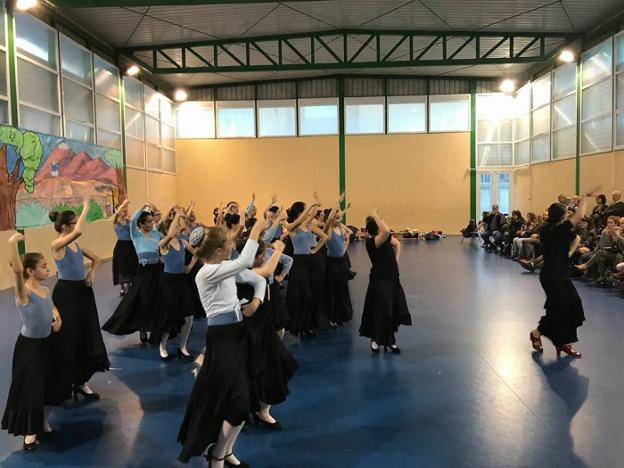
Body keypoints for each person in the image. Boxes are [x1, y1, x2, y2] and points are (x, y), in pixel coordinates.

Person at [178, 219, 266, 467]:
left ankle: (225, 452)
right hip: (222, 341)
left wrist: (256, 302)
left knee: (243, 403)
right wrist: (256, 231)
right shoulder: (207, 273)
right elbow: (245, 261)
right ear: (218, 250)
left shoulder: (224, 266)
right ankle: (216, 456)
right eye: (228, 242)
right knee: (237, 405)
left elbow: (258, 280)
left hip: (239, 334)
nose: (232, 243)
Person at [1, 233, 71, 451]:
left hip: (48, 345)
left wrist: (58, 319)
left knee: (54, 385)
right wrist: (13, 243)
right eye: (43, 266)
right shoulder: (24, 294)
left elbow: (51, 308)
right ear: (30, 271)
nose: (47, 267)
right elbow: (16, 271)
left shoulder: (45, 289)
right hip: (30, 349)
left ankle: (43, 421)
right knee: (33, 389)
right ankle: (30, 432)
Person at [235, 237, 298, 430]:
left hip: (265, 327)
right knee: (248, 372)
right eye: (262, 255)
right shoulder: (241, 272)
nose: (264, 258)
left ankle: (263, 411)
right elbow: (266, 271)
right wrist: (278, 250)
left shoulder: (254, 270)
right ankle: (241, 411)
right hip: (248, 331)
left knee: (274, 366)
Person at [50, 200, 110, 400]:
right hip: (66, 294)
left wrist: (91, 272)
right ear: (65, 226)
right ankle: (65, 381)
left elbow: (97, 258)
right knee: (69, 337)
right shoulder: (57, 245)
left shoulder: (75, 245)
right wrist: (85, 208)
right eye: (73, 222)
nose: (76, 225)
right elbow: (78, 232)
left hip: (82, 292)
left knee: (85, 334)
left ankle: (81, 382)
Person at [529, 190, 597, 358]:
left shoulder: (556, 229)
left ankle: (562, 342)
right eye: (566, 213)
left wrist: (569, 252)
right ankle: (538, 334)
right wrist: (584, 198)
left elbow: (577, 238)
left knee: (573, 304)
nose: (568, 215)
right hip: (552, 277)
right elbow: (580, 215)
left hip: (561, 274)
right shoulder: (553, 230)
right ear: (561, 216)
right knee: (557, 310)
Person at [102, 203, 163, 343]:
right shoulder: (136, 234)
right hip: (143, 271)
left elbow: (166, 239)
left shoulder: (155, 233)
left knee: (157, 300)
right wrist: (142, 207)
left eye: (152, 222)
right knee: (143, 300)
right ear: (141, 224)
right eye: (148, 222)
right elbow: (134, 219)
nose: (151, 224)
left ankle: (155, 328)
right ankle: (142, 328)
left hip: (157, 270)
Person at [359, 210, 412, 353]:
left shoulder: (383, 239)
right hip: (380, 280)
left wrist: (396, 260)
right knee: (382, 310)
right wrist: (376, 214)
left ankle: (390, 340)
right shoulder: (373, 242)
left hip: (393, 278)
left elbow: (397, 244)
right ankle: (376, 339)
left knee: (392, 310)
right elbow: (387, 231)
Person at [149, 211, 197, 360]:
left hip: (181, 281)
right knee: (169, 316)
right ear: (166, 230)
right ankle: (162, 346)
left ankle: (182, 346)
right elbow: (170, 235)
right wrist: (176, 215)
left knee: (189, 315)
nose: (178, 228)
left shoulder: (183, 242)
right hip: (168, 283)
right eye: (174, 226)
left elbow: (197, 253)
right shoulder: (163, 243)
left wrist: (190, 266)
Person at [283, 196, 327, 337]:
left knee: (310, 295)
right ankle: (298, 324)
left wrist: (315, 249)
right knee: (302, 295)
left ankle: (307, 324)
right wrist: (312, 205)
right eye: (305, 211)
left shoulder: (308, 225)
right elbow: (300, 219)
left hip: (309, 262)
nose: (308, 214)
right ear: (299, 213)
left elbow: (324, 236)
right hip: (298, 264)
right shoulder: (292, 227)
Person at [323, 197, 354, 327]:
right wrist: (336, 205)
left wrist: (345, 244)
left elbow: (346, 239)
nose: (339, 220)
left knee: (342, 289)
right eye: (337, 218)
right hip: (331, 263)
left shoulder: (341, 227)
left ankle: (342, 314)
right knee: (333, 290)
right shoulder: (328, 228)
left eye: (340, 218)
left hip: (341, 262)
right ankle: (332, 317)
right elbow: (329, 219)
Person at [112, 199, 138, 296]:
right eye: (123, 209)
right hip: (121, 247)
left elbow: (135, 229)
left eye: (126, 209)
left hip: (130, 246)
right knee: (122, 268)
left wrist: (131, 221)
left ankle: (131, 285)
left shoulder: (128, 220)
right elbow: (116, 214)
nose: (125, 211)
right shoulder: (115, 222)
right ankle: (122, 287)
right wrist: (124, 203)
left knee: (131, 266)